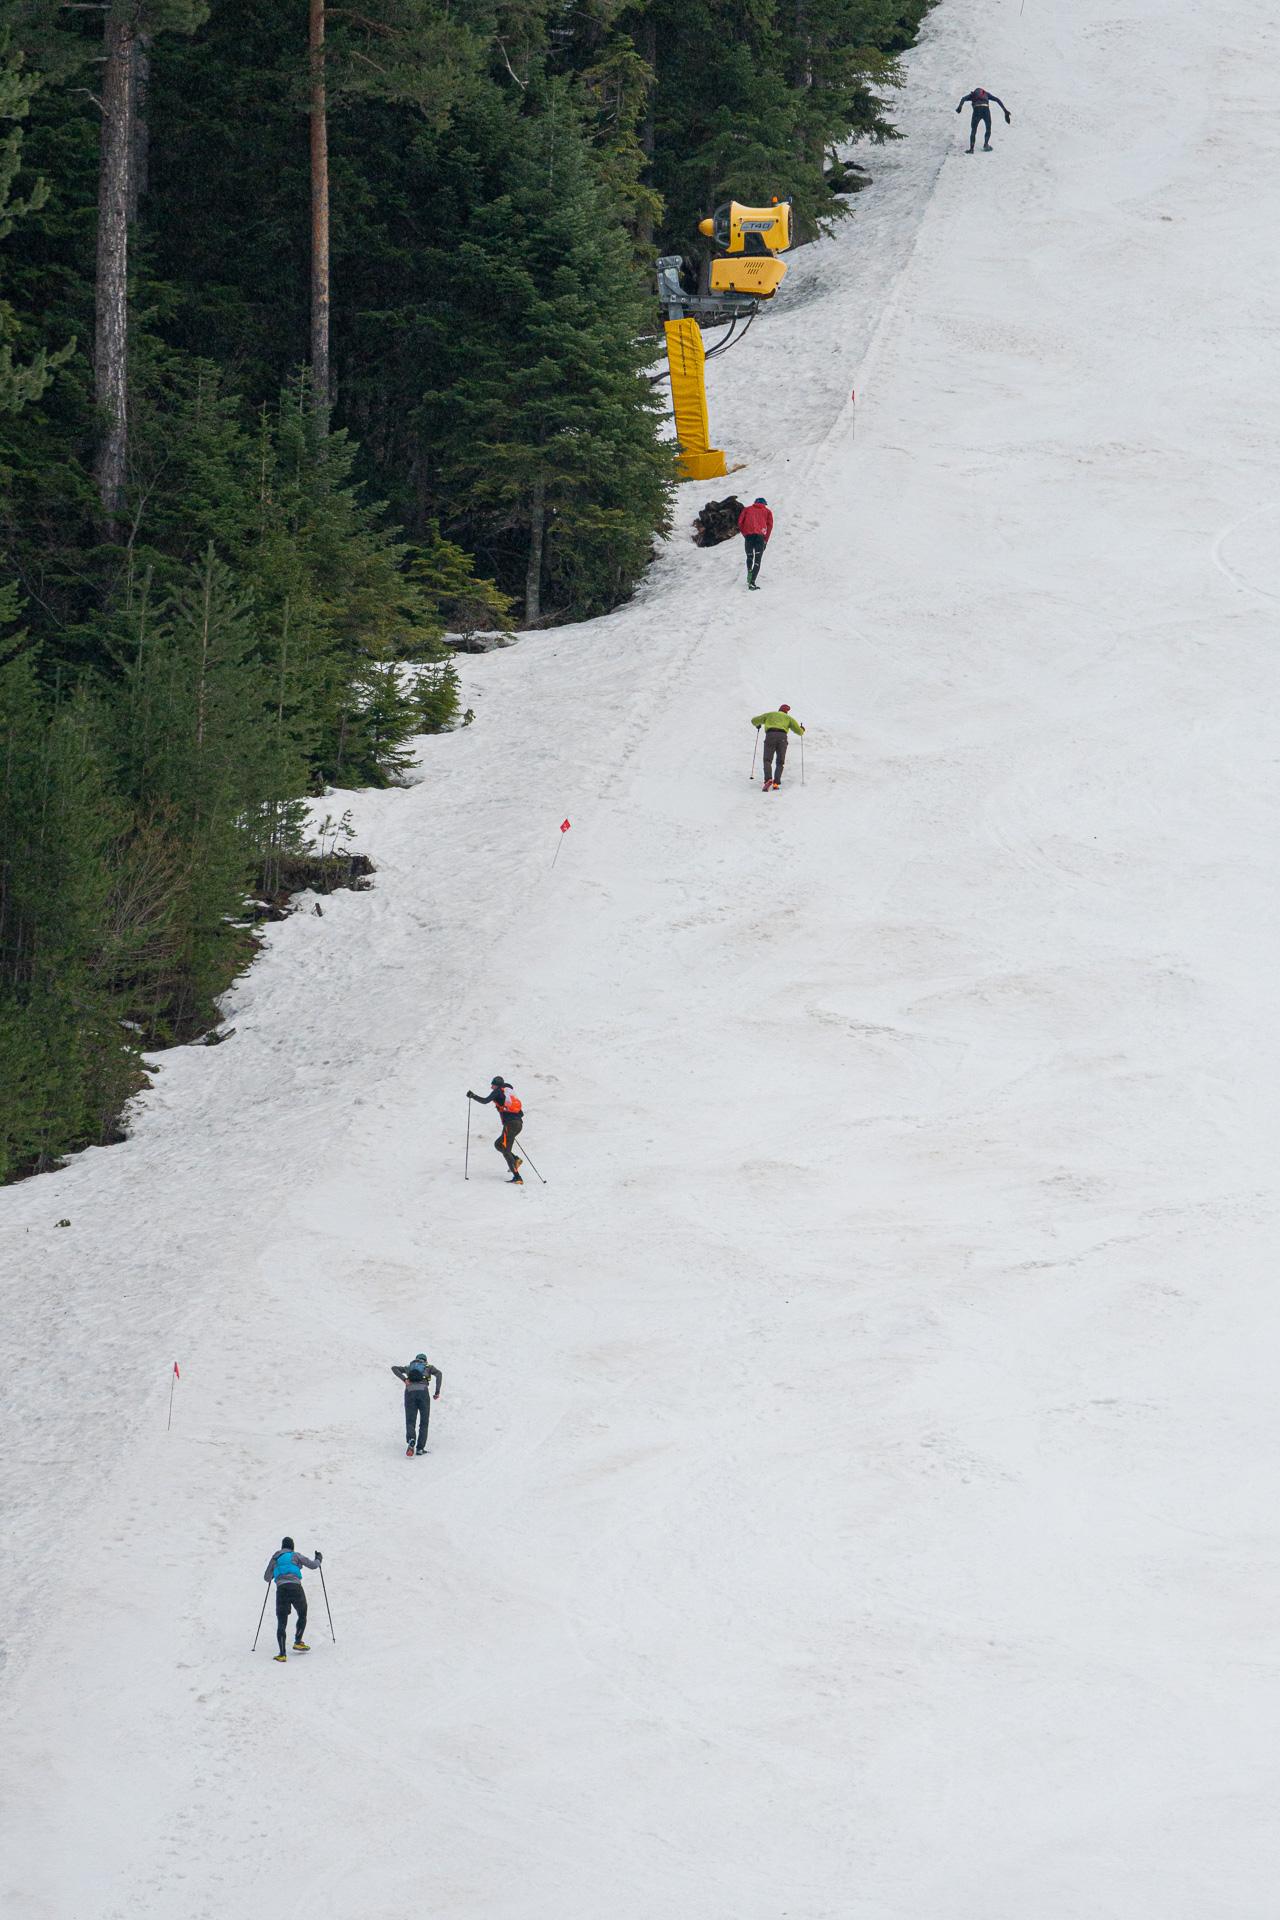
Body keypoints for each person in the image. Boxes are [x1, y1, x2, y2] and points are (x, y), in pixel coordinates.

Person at [263, 1537, 322, 1661]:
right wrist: (318, 1559)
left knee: (282, 1621)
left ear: (282, 1547)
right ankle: (298, 1641)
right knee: (302, 1613)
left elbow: (267, 1577)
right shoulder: (295, 1555)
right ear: (292, 1546)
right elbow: (313, 1565)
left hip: (281, 1590)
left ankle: (282, 1654)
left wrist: (276, 1572)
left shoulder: (276, 1558)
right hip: (295, 1588)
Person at [467, 1076, 524, 1183]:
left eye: (492, 1084)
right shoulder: (508, 1092)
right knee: (498, 1144)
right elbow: (520, 1113)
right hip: (518, 1124)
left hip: (511, 1125)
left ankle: (517, 1177)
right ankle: (516, 1159)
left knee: (506, 1150)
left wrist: (473, 1096)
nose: (491, 1087)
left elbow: (485, 1101)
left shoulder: (498, 1091)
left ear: (497, 1085)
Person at [392, 1352, 443, 1455]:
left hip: (409, 1392)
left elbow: (394, 1368)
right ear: (425, 1360)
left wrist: (405, 1379)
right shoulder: (428, 1367)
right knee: (424, 1422)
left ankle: (411, 1440)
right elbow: (439, 1374)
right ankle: (420, 1448)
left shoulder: (409, 1367)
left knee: (410, 1420)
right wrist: (437, 1391)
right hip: (423, 1392)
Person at [751, 704, 805, 792]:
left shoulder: (770, 714)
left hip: (770, 735)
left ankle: (768, 779)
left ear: (779, 709)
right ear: (786, 712)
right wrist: (802, 729)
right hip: (782, 738)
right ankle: (776, 783)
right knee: (780, 761)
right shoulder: (789, 718)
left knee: (767, 760)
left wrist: (758, 724)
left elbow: (754, 720)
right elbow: (799, 732)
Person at [956, 86, 1010, 152]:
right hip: (985, 110)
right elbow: (997, 100)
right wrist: (1005, 111)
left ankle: (971, 149)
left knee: (973, 130)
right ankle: (986, 145)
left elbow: (963, 98)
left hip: (977, 110)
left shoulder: (972, 95)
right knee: (988, 128)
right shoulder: (986, 94)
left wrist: (960, 107)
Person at [737, 497, 774, 590]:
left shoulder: (747, 509)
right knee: (758, 559)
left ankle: (749, 570)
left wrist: (745, 533)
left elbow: (740, 523)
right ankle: (752, 582)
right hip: (760, 537)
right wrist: (765, 540)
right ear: (764, 504)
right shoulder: (767, 512)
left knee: (749, 556)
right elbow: (769, 526)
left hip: (749, 536)